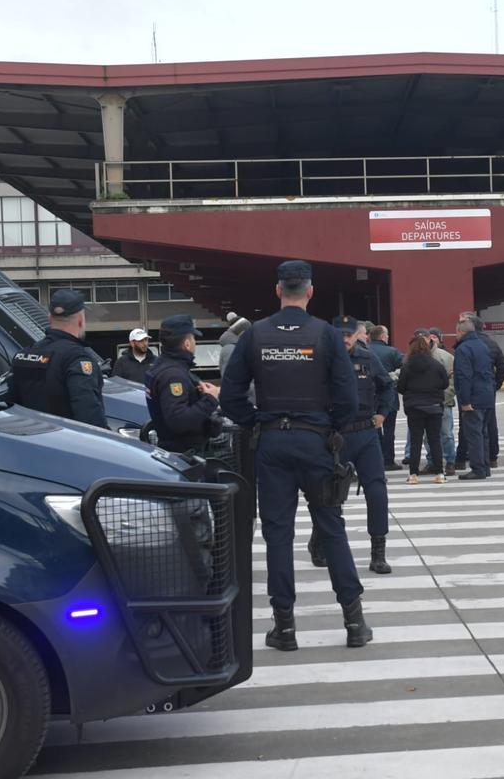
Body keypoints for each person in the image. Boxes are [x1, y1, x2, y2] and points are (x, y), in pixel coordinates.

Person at [219, 260, 370, 652]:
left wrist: (255, 421)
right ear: (310, 291)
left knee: (278, 536)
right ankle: (354, 622)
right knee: (331, 527)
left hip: (271, 444)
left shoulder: (256, 335)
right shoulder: (326, 334)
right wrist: (330, 427)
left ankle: (284, 628)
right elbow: (349, 399)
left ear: (277, 290)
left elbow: (231, 393)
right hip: (317, 441)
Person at [317, 315, 397, 574]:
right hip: (335, 436)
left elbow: (387, 387)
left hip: (365, 434)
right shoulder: (322, 361)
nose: (345, 340)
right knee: (331, 494)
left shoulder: (368, 358)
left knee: (376, 492)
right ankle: (319, 542)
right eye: (340, 335)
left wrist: (382, 413)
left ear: (356, 335)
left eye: (348, 335)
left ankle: (378, 553)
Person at [7, 288, 106, 428]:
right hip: (66, 445)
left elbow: (10, 405)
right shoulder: (77, 359)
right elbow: (89, 417)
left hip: (29, 442)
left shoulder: (23, 355)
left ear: (49, 318)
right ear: (80, 320)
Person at [144, 314, 220, 453]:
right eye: (193, 338)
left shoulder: (162, 367)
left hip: (175, 451)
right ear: (187, 343)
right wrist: (210, 399)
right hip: (185, 456)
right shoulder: (173, 375)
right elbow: (179, 421)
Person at [454, 313, 504, 469]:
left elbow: (464, 376)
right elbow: (502, 366)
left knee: (471, 429)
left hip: (472, 394)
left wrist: (464, 400)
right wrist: (494, 385)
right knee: (487, 428)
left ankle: (469, 462)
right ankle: (490, 460)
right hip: (487, 392)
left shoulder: (465, 347)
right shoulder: (488, 344)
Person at [396, 334, 448, 486]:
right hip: (434, 407)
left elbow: (401, 387)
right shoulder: (436, 365)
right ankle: (439, 473)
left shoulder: (407, 366)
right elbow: (444, 384)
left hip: (414, 408)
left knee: (415, 441)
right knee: (435, 440)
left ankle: (413, 474)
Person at [367, 325, 404, 471]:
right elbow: (404, 367)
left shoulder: (366, 351)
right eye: (387, 335)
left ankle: (376, 457)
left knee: (373, 429)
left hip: (370, 396)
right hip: (389, 396)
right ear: (383, 336)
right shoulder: (392, 352)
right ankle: (389, 460)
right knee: (389, 430)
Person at [428, 328, 457, 475]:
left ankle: (450, 461)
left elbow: (452, 380)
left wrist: (447, 396)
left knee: (446, 434)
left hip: (444, 401)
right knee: (428, 436)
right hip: (427, 403)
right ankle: (432, 461)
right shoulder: (415, 356)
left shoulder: (446, 357)